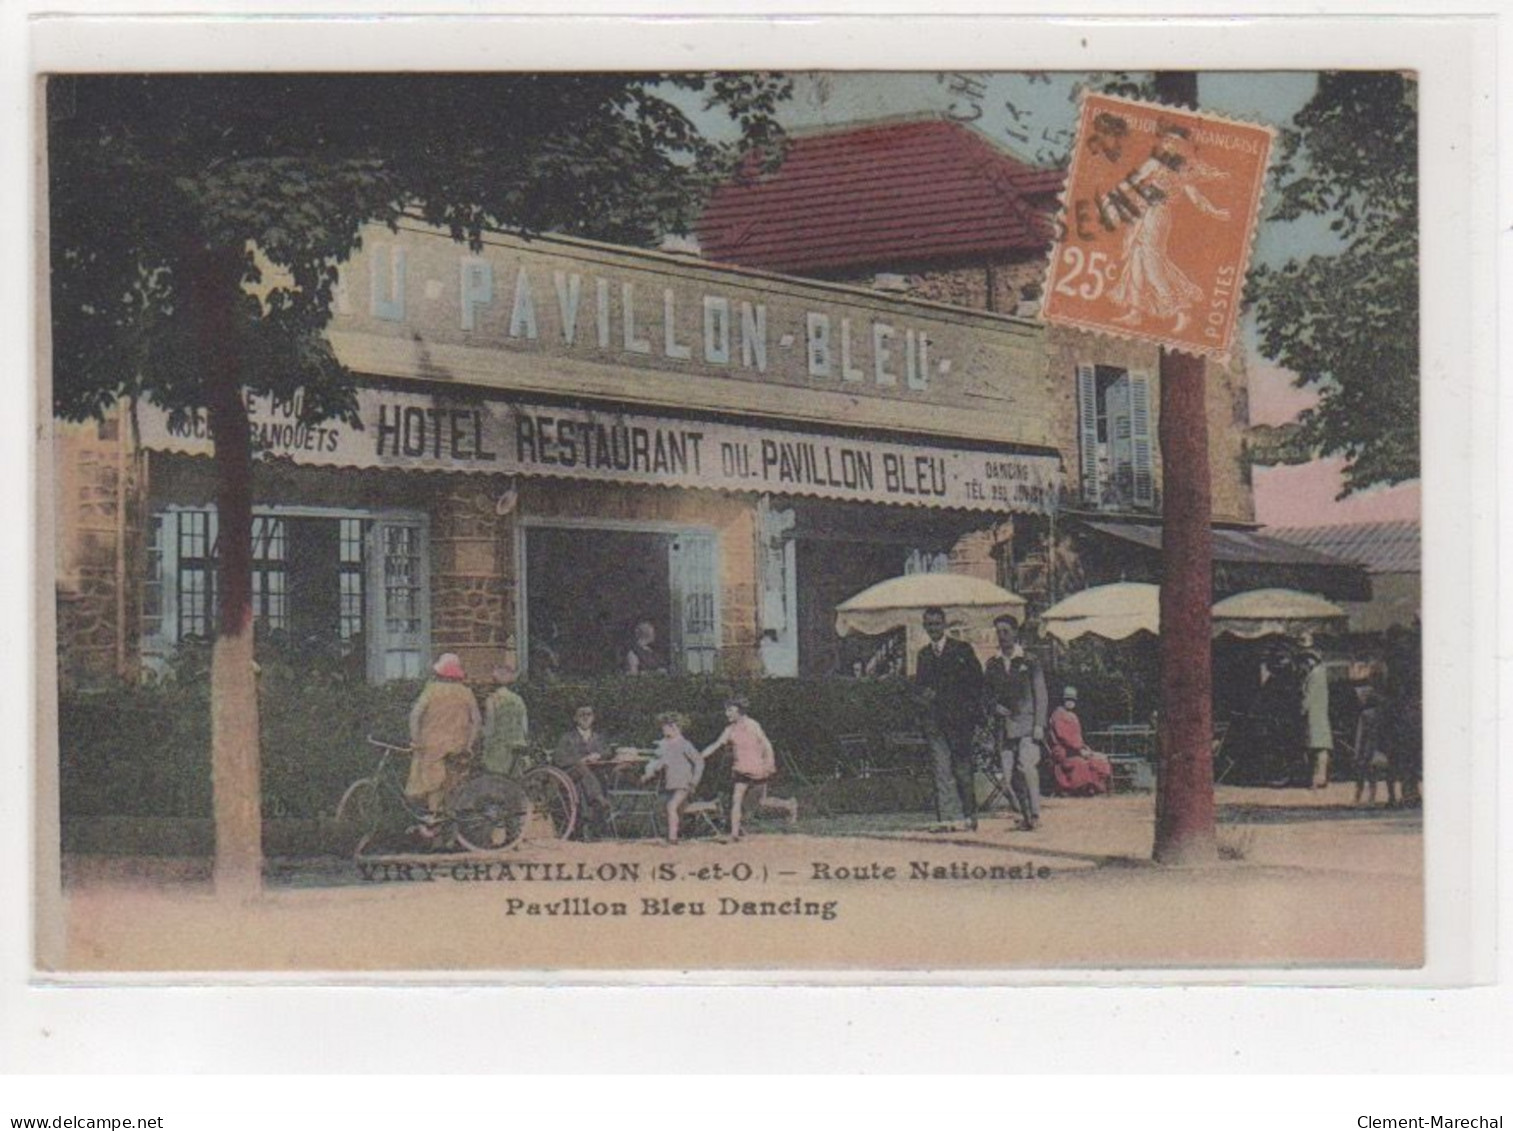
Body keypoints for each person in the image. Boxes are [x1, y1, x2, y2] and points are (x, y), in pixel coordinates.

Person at [914, 606, 984, 832]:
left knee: (962, 769)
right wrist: (923, 697)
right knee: (941, 769)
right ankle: (946, 817)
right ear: (925, 627)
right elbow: (920, 686)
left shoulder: (962, 650)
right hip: (934, 721)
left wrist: (968, 712)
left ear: (944, 625)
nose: (933, 628)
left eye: (936, 624)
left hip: (960, 721)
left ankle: (969, 815)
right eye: (929, 625)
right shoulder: (923, 655)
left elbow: (976, 683)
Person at [983, 614, 1048, 830]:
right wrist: (993, 706)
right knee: (1009, 777)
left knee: (1027, 767)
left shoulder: (1030, 661)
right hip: (1004, 728)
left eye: (1006, 631)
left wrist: (1039, 724)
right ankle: (1025, 815)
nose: (1002, 636)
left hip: (1027, 725)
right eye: (998, 632)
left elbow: (1041, 695)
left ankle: (1035, 815)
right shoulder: (992, 664)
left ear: (1015, 633)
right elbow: (986, 694)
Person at [700, 697, 795, 841]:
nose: (727, 713)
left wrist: (770, 762)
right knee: (736, 800)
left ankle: (789, 805)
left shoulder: (753, 725)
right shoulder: (729, 729)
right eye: (726, 710)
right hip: (740, 770)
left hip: (757, 768)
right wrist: (700, 756)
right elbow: (716, 744)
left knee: (761, 803)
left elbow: (766, 744)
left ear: (740, 711)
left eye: (730, 710)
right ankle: (734, 834)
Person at [406, 653, 482, 825]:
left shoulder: (431, 689)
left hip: (431, 746)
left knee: (431, 787)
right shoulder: (466, 692)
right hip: (458, 746)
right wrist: (469, 744)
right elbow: (476, 721)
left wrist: (415, 740)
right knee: (452, 787)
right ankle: (451, 836)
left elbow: (415, 715)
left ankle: (434, 832)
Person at [640, 712, 704, 844]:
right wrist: (648, 775)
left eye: (666, 727)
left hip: (684, 784)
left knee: (671, 806)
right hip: (672, 784)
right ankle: (673, 833)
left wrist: (694, 781)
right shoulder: (667, 745)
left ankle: (672, 838)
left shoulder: (684, 744)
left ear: (675, 727)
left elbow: (699, 762)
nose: (663, 731)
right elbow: (659, 764)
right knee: (667, 808)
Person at [554, 704, 614, 836]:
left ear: (593, 718)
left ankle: (586, 827)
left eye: (589, 715)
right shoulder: (567, 738)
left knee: (582, 786)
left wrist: (598, 755)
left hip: (591, 777)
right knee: (581, 768)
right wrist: (581, 760)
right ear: (575, 718)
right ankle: (598, 798)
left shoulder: (598, 737)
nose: (586, 718)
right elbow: (559, 759)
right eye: (582, 715)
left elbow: (608, 752)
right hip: (570, 775)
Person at [1046, 686, 1114, 797]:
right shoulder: (1059, 715)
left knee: (1100, 759)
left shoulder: (1073, 715)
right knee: (1082, 762)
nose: (1070, 702)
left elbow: (1077, 737)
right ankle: (1080, 788)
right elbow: (1063, 737)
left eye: (1073, 700)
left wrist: (1083, 747)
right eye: (1068, 699)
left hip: (1075, 748)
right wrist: (1079, 749)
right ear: (1063, 700)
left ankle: (1096, 788)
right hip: (1064, 751)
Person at [480, 660, 529, 778]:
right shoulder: (519, 700)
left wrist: (482, 737)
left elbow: (490, 729)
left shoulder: (492, 700)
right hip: (517, 747)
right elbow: (524, 727)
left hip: (499, 750)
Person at [1352, 685, 1396, 808]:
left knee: (1367, 775)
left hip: (1368, 749)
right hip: (1384, 747)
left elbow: (1360, 736)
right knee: (1388, 774)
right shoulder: (1384, 713)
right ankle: (1392, 797)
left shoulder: (1365, 714)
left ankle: (1365, 799)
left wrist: (1357, 753)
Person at [1298, 638, 1334, 789]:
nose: (1306, 662)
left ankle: (1318, 778)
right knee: (1320, 746)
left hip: (1314, 714)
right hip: (1319, 713)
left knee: (1317, 747)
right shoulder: (1319, 672)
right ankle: (1321, 777)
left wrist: (1302, 709)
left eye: (1308, 659)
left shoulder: (1315, 674)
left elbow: (1309, 696)